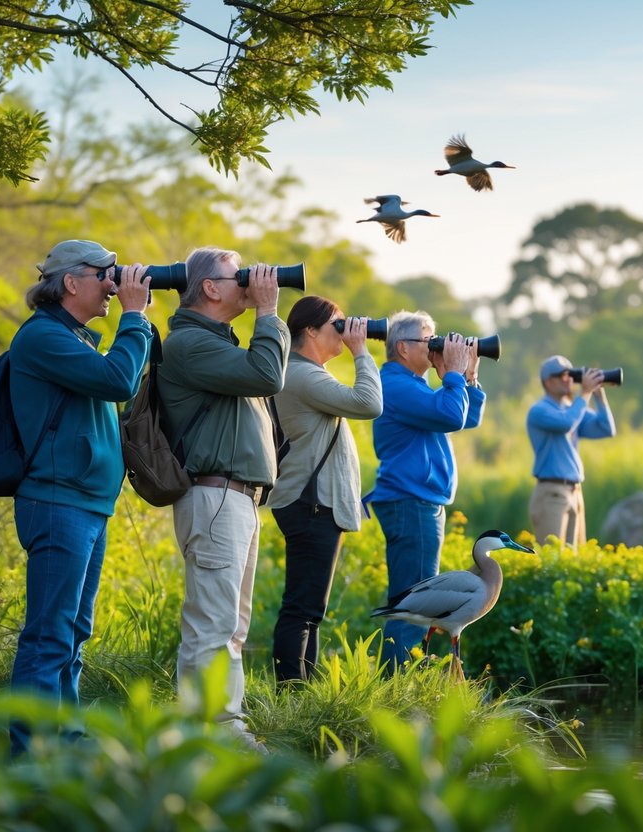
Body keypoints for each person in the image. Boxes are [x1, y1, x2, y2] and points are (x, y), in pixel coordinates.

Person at [8, 240, 152, 757]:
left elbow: (125, 382)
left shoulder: (76, 339)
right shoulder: (44, 338)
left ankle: (64, 745)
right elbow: (117, 381)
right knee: (49, 636)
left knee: (72, 634)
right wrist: (134, 316)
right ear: (71, 282)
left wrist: (139, 324)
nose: (115, 286)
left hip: (85, 503)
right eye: (105, 275)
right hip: (57, 502)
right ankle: (29, 758)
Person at [157, 248, 289, 730]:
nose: (250, 283)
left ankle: (201, 728)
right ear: (210, 288)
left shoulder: (216, 342)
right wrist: (270, 311)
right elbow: (268, 375)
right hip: (215, 498)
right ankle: (221, 730)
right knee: (214, 626)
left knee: (226, 627)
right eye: (239, 277)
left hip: (233, 500)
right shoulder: (190, 343)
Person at [267, 297, 382, 683]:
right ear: (311, 331)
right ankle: (291, 693)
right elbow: (369, 403)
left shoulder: (302, 372)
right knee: (302, 609)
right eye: (338, 324)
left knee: (309, 610)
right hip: (309, 502)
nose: (345, 330)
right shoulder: (304, 375)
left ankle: (304, 692)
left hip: (311, 502)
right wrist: (361, 351)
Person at [365, 312, 483, 668]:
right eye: (428, 340)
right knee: (413, 608)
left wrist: (468, 376)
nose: (436, 346)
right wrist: (451, 374)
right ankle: (395, 694)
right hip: (410, 502)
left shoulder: (413, 385)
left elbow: (465, 417)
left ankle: (396, 688)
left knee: (414, 603)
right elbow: (450, 415)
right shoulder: (396, 384)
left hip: (418, 502)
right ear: (402, 347)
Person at [526, 355, 616, 550]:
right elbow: (566, 423)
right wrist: (584, 393)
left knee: (572, 562)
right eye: (562, 375)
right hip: (551, 492)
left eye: (571, 374)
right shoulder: (539, 410)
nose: (569, 379)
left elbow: (606, 429)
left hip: (574, 492)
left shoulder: (571, 409)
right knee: (551, 559)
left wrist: (599, 396)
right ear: (548, 381)